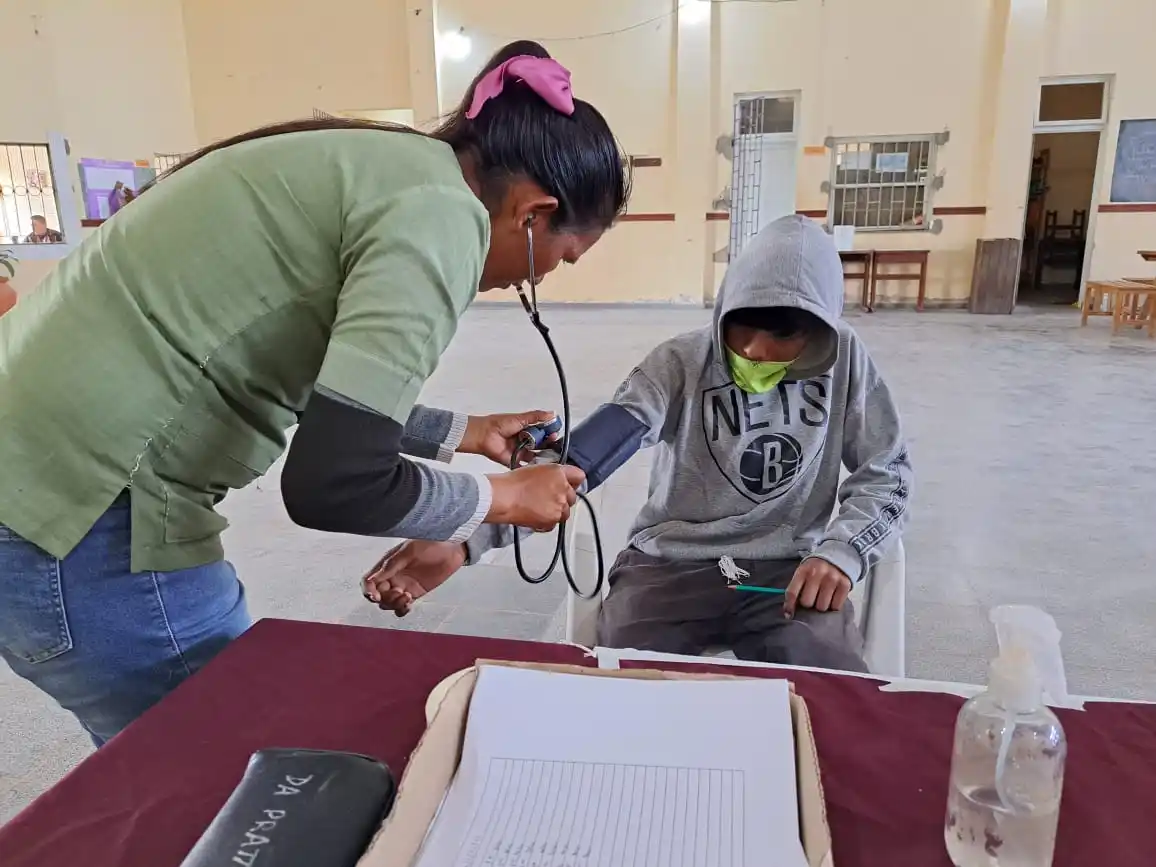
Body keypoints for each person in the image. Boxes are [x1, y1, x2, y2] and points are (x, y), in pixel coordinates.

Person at [0, 40, 630, 745]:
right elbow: (335, 482)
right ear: (533, 212)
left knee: (180, 759)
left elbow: (318, 382)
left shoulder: (385, 168)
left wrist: (466, 431)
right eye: (560, 259)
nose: (532, 280)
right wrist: (501, 500)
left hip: (35, 476)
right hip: (78, 513)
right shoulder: (444, 219)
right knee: (232, 771)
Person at [365, 216, 912, 672]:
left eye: (782, 342)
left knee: (825, 689)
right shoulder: (679, 362)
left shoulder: (847, 361)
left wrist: (842, 553)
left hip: (787, 572)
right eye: (741, 332)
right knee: (619, 680)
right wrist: (463, 542)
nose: (755, 352)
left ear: (819, 333)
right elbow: (584, 459)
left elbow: (886, 471)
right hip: (669, 565)